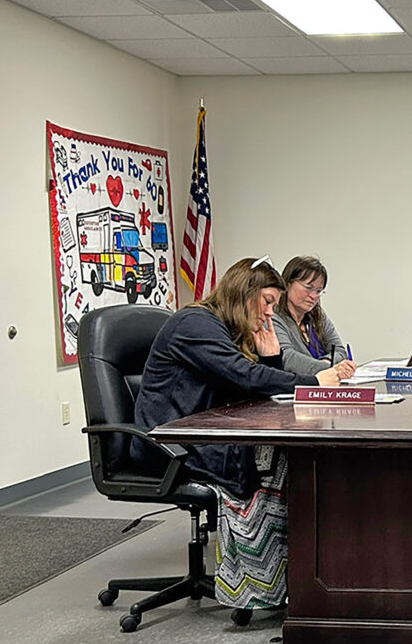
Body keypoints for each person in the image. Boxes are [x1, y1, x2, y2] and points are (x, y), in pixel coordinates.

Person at [133, 256, 341, 613]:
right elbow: (243, 376)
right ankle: (257, 585)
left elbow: (249, 386)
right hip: (170, 444)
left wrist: (271, 358)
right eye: (267, 302)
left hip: (201, 432)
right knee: (273, 459)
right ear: (244, 293)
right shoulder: (196, 324)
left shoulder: (221, 327)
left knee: (281, 455)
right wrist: (313, 382)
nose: (270, 313)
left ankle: (289, 579)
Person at [273, 255, 356, 380]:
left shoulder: (317, 315)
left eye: (318, 291)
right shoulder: (273, 317)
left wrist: (327, 362)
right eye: (308, 287)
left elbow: (340, 351)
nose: (313, 296)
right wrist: (332, 369)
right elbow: (287, 358)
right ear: (288, 284)